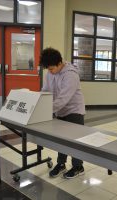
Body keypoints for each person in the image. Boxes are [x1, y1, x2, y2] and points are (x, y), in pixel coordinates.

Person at [40, 47, 86, 179]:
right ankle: (61, 164)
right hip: (59, 110)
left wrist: (45, 110)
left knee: (74, 140)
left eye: (52, 68)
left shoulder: (71, 74)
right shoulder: (50, 73)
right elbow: (45, 90)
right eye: (48, 69)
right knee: (61, 139)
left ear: (60, 63)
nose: (50, 72)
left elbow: (63, 99)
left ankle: (78, 166)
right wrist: (38, 103)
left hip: (74, 111)